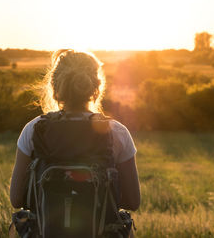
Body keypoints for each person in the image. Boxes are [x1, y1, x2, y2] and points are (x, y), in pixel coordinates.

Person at [10, 49, 140, 223]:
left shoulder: (34, 129)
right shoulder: (117, 132)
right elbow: (133, 201)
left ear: (55, 86)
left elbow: (17, 199)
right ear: (96, 88)